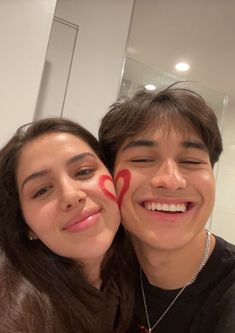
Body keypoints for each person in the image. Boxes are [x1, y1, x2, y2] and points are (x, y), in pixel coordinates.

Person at [99, 86, 235, 333]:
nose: (171, 180)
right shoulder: (95, 272)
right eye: (142, 159)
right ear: (108, 175)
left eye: (191, 161)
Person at [0, 117, 134, 333]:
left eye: (84, 171)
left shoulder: (134, 273)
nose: (71, 195)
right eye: (41, 190)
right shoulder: (18, 316)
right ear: (26, 225)